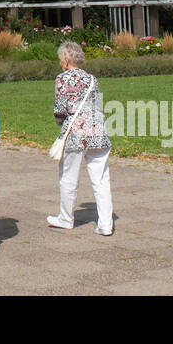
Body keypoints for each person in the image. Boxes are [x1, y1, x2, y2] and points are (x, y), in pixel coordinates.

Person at [47, 40, 114, 236]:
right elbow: (97, 105)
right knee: (101, 178)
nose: (60, 62)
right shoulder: (92, 79)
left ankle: (66, 218)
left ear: (67, 59)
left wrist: (61, 123)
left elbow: (60, 110)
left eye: (61, 59)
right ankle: (105, 224)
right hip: (97, 132)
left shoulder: (61, 79)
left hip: (75, 133)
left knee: (69, 177)